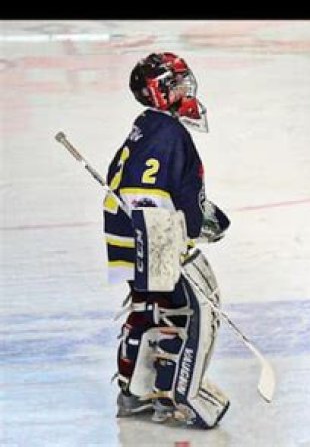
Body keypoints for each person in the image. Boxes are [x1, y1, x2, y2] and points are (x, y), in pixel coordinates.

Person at [104, 52, 231, 429]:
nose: (185, 90)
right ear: (158, 91)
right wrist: (188, 231)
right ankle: (179, 398)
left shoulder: (146, 126)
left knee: (149, 310)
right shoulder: (170, 135)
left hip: (130, 238)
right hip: (154, 238)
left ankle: (134, 392)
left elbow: (131, 185)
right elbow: (156, 196)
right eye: (176, 84)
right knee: (192, 312)